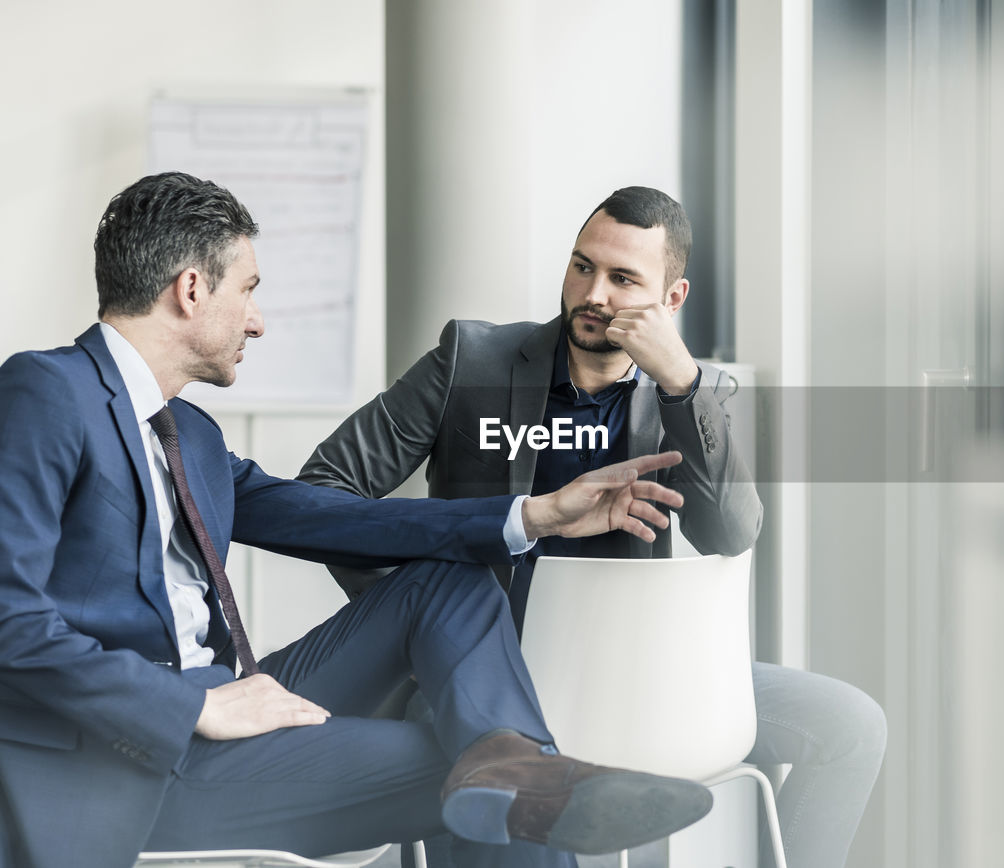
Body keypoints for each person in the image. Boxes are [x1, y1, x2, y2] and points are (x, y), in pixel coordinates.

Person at [0, 173, 716, 868]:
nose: (257, 319)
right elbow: (9, 622)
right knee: (470, 766)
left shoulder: (190, 435)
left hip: (225, 706)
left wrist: (534, 516)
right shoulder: (48, 391)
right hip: (137, 756)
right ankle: (516, 768)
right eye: (248, 290)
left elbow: (334, 517)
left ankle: (511, 761)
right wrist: (189, 708)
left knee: (455, 617)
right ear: (192, 290)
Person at [300, 186, 889, 867]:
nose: (594, 293)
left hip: (640, 670)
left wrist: (681, 387)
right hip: (486, 674)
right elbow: (324, 491)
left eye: (623, 279)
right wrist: (420, 618)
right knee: (523, 813)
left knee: (850, 727)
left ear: (672, 299)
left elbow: (731, 531)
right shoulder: (472, 363)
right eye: (583, 266)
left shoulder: (702, 393)